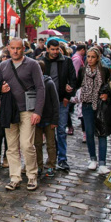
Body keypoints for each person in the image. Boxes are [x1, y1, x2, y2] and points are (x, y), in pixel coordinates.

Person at [0, 38, 45, 191]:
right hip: (9, 110)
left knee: (27, 145)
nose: (15, 51)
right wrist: (1, 89)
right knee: (12, 146)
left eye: (18, 48)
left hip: (28, 109)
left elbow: (41, 88)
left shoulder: (33, 64)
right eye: (12, 48)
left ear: (23, 48)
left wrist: (38, 111)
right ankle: (15, 177)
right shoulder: (3, 66)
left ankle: (32, 175)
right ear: (8, 48)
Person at [40, 39, 76, 172]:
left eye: (57, 49)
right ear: (47, 49)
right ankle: (49, 160)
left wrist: (68, 96)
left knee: (61, 130)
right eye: (52, 49)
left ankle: (62, 159)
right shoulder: (42, 61)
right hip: (45, 102)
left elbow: (73, 79)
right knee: (46, 132)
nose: (55, 52)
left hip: (61, 100)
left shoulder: (66, 61)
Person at [76, 47, 111, 175]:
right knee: (89, 132)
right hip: (86, 104)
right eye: (88, 56)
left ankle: (102, 162)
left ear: (97, 58)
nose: (90, 59)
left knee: (102, 133)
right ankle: (93, 159)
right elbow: (78, 84)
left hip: (100, 104)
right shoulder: (82, 70)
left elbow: (109, 86)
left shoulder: (104, 71)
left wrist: (106, 94)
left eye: (93, 57)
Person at [35, 61, 59, 178]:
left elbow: (55, 102)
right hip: (37, 119)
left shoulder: (49, 84)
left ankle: (51, 165)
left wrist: (55, 120)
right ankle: (39, 165)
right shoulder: (31, 84)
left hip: (49, 119)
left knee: (50, 144)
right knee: (37, 144)